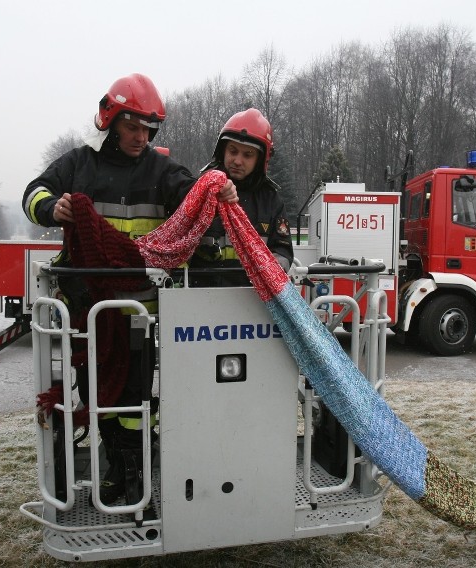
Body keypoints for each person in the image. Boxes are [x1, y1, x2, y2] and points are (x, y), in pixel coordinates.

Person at [22, 73, 238, 508]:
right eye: (133, 127)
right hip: (89, 316)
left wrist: (218, 189)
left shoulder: (164, 171)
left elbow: (193, 196)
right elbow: (33, 193)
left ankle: (133, 475)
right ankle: (117, 474)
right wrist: (52, 207)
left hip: (141, 316)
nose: (142, 137)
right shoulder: (79, 164)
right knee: (98, 396)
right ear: (111, 120)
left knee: (139, 401)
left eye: (148, 129)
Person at [188, 108, 293, 286]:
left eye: (247, 155)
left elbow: (282, 251)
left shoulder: (271, 201)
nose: (237, 160)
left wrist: (272, 268)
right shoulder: (202, 189)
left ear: (260, 159)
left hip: (251, 299)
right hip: (202, 297)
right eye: (233, 151)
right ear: (223, 151)